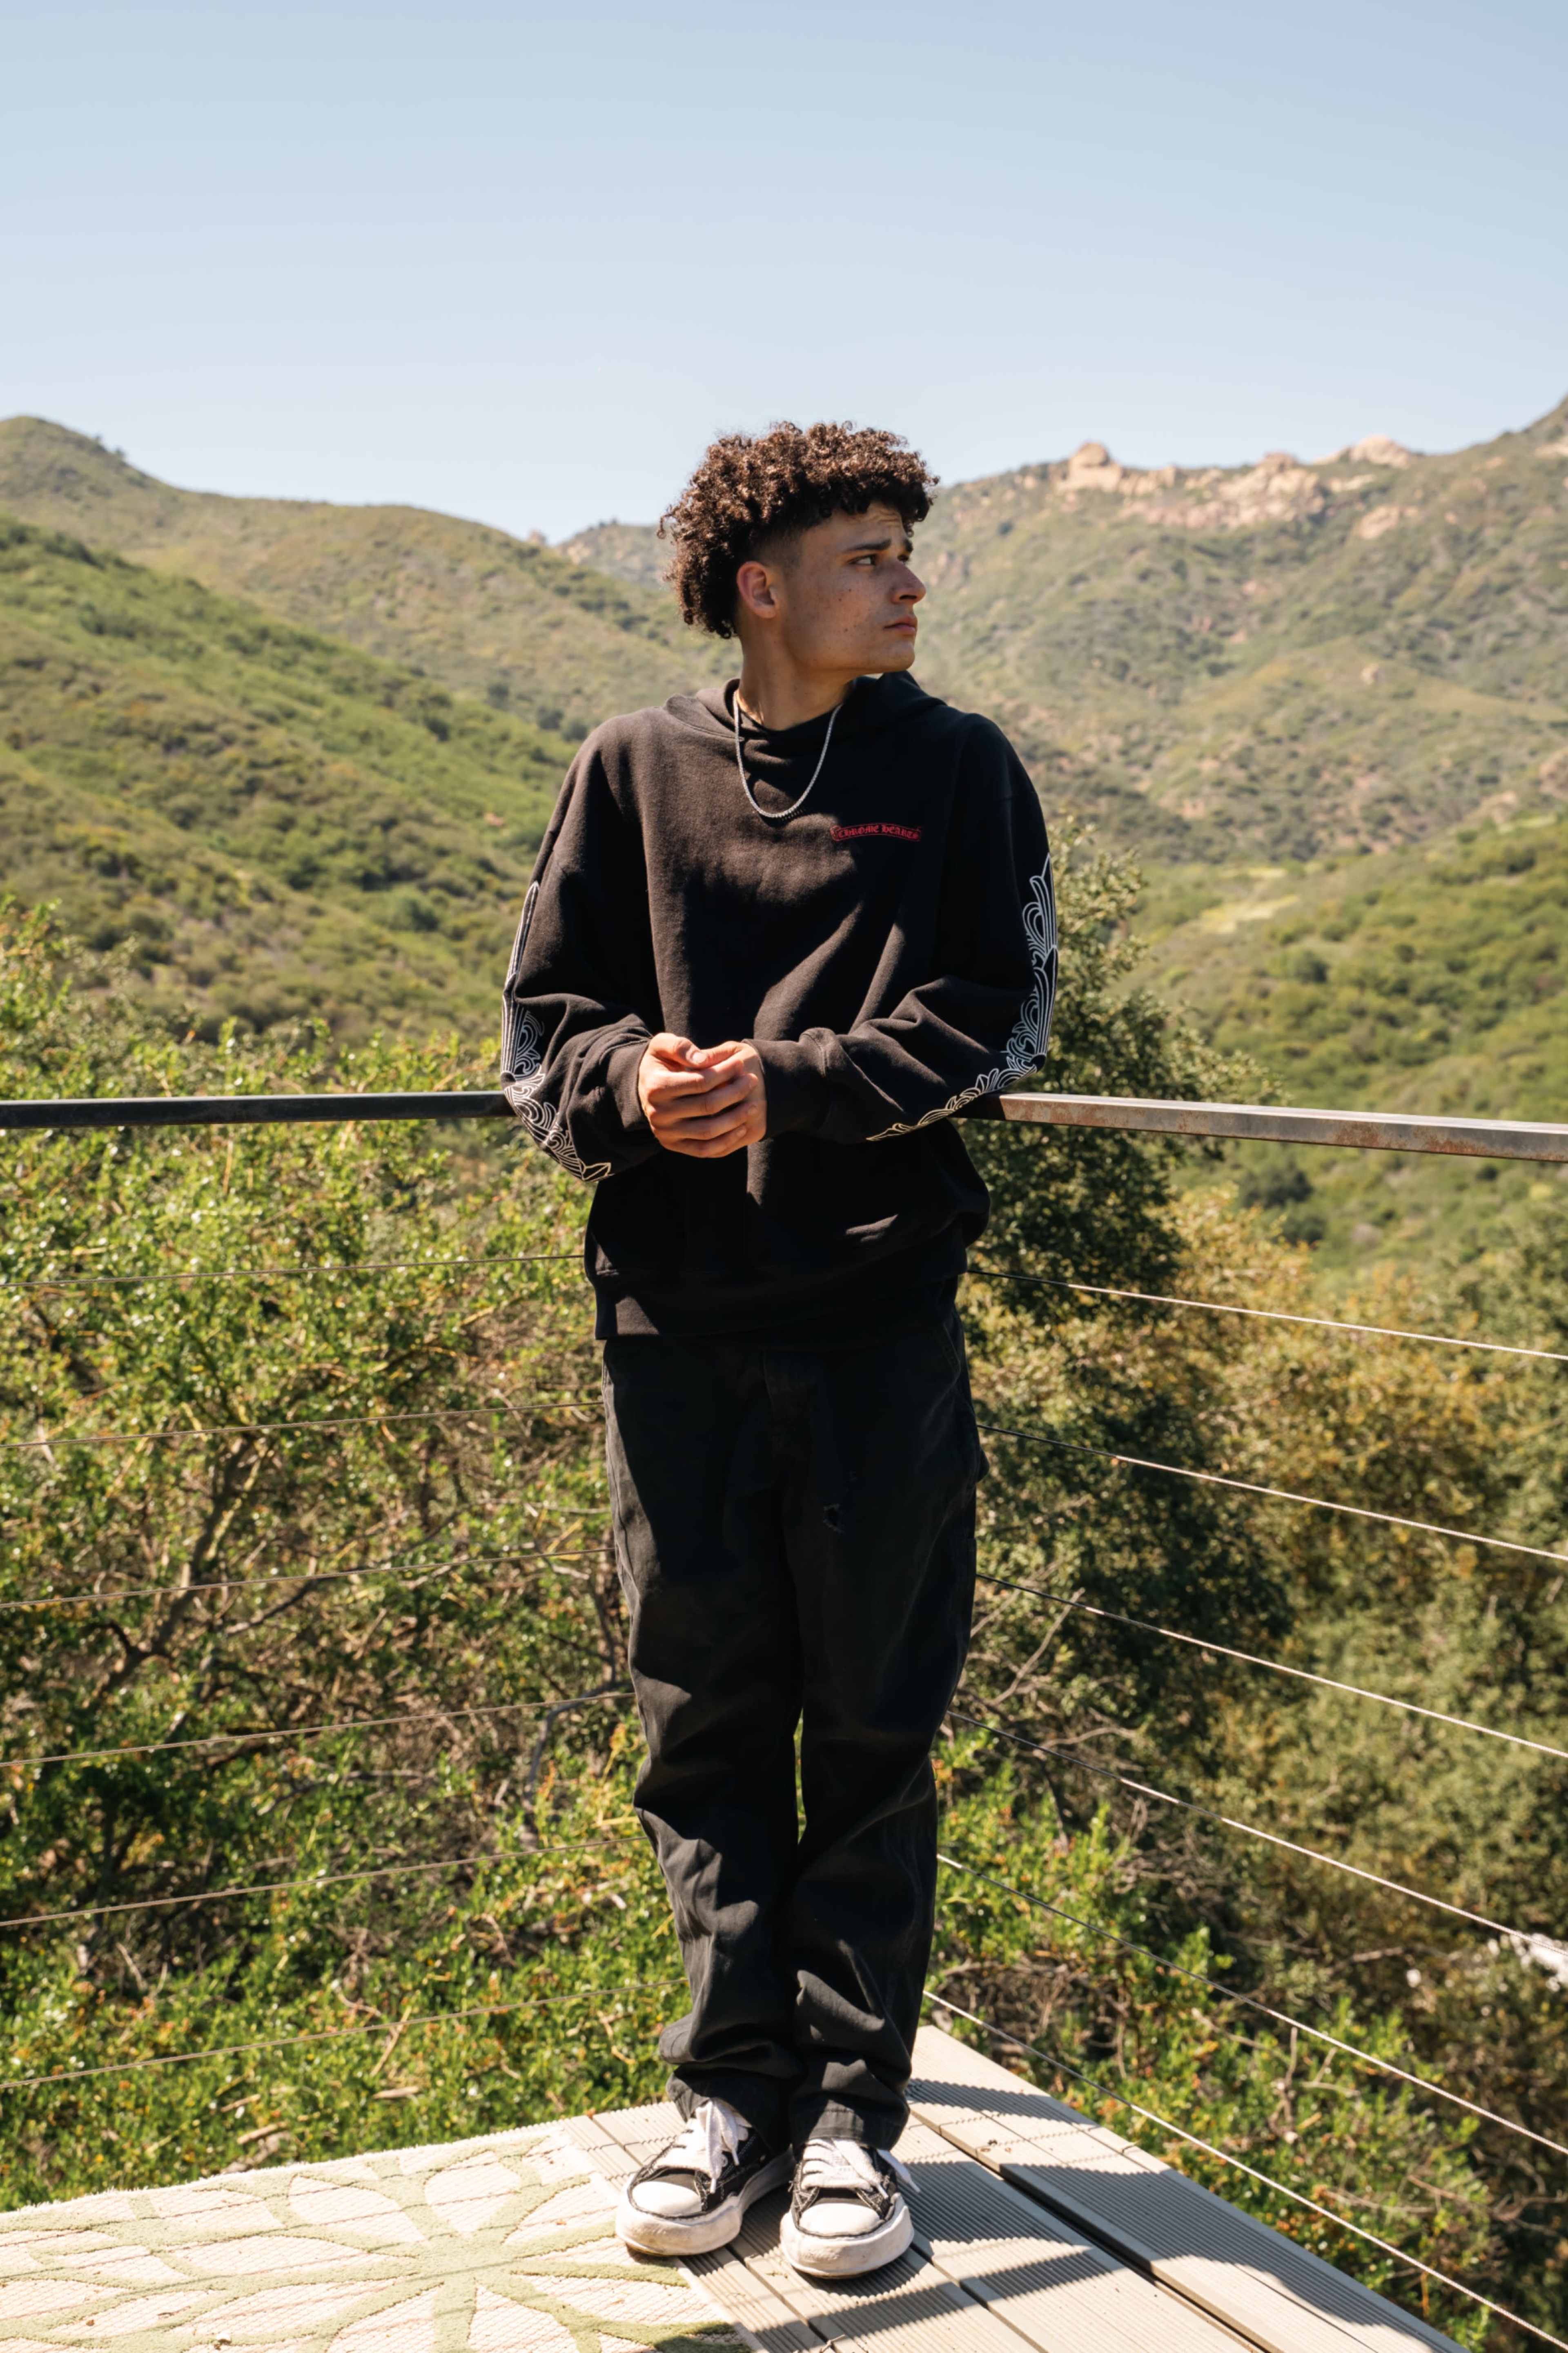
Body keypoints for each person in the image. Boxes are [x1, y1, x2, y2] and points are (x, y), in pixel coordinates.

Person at [500, 420, 1056, 2280]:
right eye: (869, 554)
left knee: (876, 1729)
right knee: (703, 1716)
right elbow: (539, 1027)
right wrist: (630, 1080)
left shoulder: (958, 770)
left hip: (880, 1320)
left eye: (907, 549)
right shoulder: (632, 767)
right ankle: (725, 2099)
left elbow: (1006, 1008)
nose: (909, 580)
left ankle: (851, 2126)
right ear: (764, 587)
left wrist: (791, 1087)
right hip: (671, 1323)